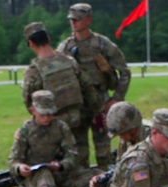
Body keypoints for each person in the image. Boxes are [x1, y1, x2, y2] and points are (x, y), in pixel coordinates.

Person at [56, 3, 131, 170]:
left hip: (100, 105)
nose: (74, 23)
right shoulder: (65, 47)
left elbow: (124, 72)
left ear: (88, 20)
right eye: (71, 19)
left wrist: (116, 98)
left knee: (103, 152)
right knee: (79, 152)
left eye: (78, 19)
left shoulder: (102, 44)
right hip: (77, 106)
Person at [21, 21, 101, 168]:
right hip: (79, 119)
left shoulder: (33, 71)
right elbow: (88, 88)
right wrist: (94, 111)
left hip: (53, 126)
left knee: (60, 166)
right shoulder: (69, 61)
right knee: (81, 160)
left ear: (31, 43)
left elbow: (29, 102)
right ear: (48, 38)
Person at [9, 90, 81, 187]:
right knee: (45, 177)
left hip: (60, 170)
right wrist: (20, 168)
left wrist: (61, 165)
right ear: (33, 110)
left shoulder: (61, 128)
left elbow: (73, 154)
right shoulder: (26, 130)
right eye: (43, 115)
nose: (48, 118)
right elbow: (14, 160)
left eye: (50, 114)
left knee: (92, 177)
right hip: (35, 175)